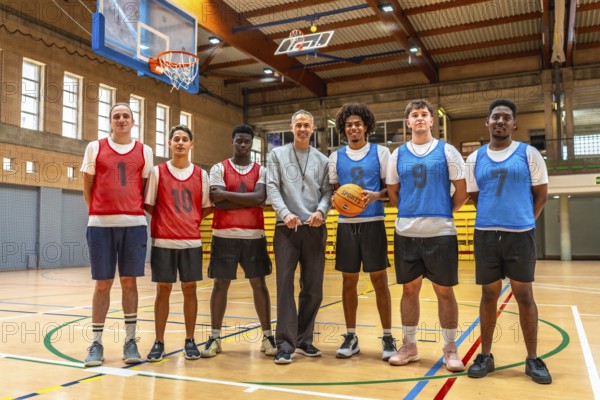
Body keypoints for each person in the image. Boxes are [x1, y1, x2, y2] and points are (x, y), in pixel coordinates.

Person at [466, 99, 551, 384]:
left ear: (514, 124)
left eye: (506, 117)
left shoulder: (529, 154)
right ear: (487, 123)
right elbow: (475, 195)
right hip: (486, 234)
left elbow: (541, 194)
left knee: (524, 295)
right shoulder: (475, 158)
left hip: (521, 235)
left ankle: (532, 358)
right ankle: (485, 356)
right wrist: (494, 216)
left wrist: (524, 219)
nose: (500, 121)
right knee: (488, 295)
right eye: (495, 117)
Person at [386, 99, 468, 371]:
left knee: (444, 291)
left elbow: (462, 190)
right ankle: (409, 346)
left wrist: (444, 211)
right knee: (409, 290)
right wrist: (411, 211)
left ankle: (450, 348)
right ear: (407, 122)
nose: (419, 118)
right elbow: (393, 192)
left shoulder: (448, 151)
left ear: (432, 121)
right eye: (414, 115)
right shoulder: (398, 154)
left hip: (441, 233)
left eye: (424, 114)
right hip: (406, 233)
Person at [81, 102, 153, 367]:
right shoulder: (94, 147)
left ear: (133, 122)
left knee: (130, 283)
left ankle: (130, 341)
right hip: (100, 225)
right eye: (116, 116)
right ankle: (96, 343)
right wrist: (97, 212)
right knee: (102, 284)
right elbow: (87, 184)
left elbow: (144, 188)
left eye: (126, 116)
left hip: (134, 225)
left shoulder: (145, 151)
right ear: (110, 121)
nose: (121, 119)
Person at [328, 103, 396, 360]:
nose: (353, 127)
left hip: (373, 222)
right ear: (343, 130)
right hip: (346, 226)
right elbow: (334, 192)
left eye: (357, 123)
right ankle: (351, 335)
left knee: (380, 281)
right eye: (348, 125)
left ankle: (388, 336)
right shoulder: (335, 157)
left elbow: (391, 190)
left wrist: (376, 195)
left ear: (366, 126)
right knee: (349, 281)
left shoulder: (381, 153)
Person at [202, 124, 276, 358]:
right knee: (220, 285)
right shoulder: (218, 168)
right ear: (232, 142)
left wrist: (228, 195)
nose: (243, 145)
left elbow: (260, 198)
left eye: (246, 141)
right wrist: (246, 199)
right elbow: (218, 201)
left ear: (251, 143)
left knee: (259, 285)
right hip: (223, 236)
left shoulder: (261, 170)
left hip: (253, 236)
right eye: (239, 141)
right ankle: (215, 338)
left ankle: (267, 337)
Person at [266, 110, 332, 364]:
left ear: (313, 129)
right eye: (298, 125)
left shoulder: (322, 160)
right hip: (286, 230)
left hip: (314, 228)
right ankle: (285, 343)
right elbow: (272, 186)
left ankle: (305, 339)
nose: (302, 129)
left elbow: (327, 192)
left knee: (313, 288)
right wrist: (284, 213)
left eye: (307, 125)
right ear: (291, 127)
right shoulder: (277, 155)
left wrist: (321, 211)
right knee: (285, 286)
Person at [144, 124, 212, 362]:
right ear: (170, 143)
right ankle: (159, 341)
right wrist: (168, 221)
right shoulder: (157, 172)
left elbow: (204, 208)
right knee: (163, 290)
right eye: (176, 139)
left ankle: (190, 340)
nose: (180, 143)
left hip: (190, 242)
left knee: (190, 289)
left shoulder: (201, 175)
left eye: (185, 139)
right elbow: (150, 204)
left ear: (191, 144)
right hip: (164, 241)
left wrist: (188, 222)